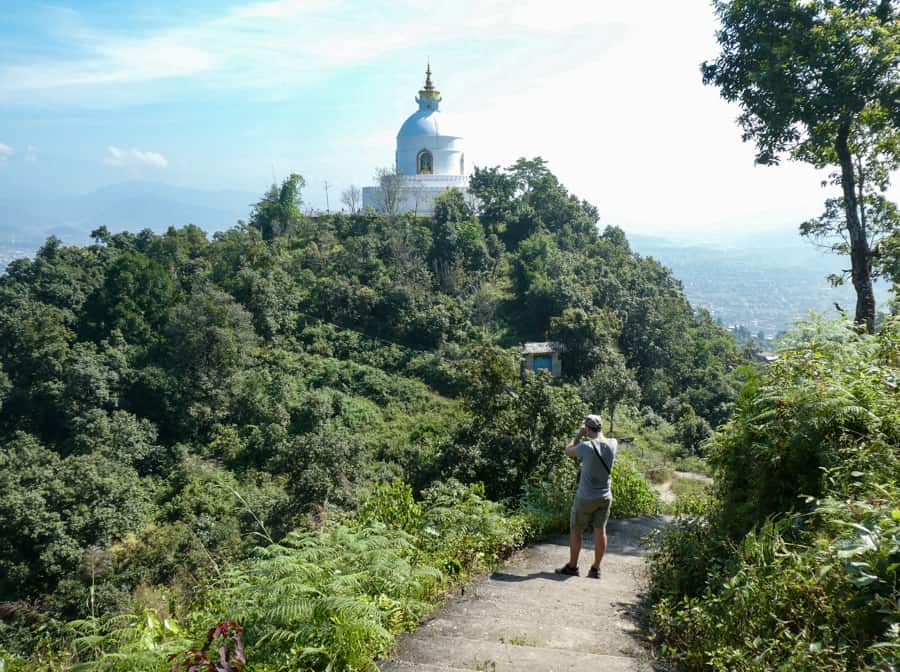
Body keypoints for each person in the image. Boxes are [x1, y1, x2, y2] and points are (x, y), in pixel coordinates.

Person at [555, 414, 617, 579]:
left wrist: (579, 435)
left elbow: (568, 451)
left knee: (576, 530)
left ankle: (573, 567)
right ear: (601, 427)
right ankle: (595, 569)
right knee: (600, 531)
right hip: (605, 496)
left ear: (588, 428)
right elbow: (603, 441)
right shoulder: (613, 443)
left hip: (585, 497)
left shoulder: (585, 447)